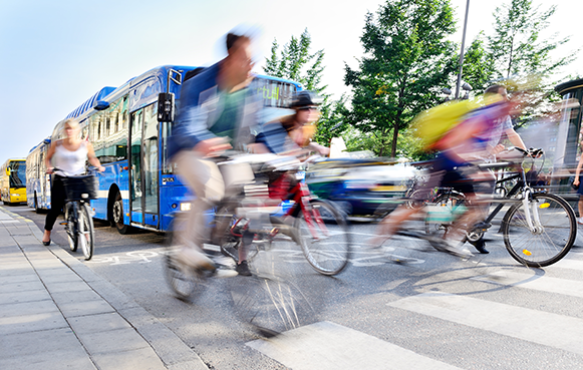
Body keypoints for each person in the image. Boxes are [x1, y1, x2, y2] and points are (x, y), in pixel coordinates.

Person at [368, 91, 525, 258]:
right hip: (445, 164)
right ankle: (377, 239)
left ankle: (451, 240)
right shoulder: (483, 118)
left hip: (459, 167)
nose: (515, 110)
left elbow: (479, 147)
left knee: (477, 205)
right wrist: (472, 160)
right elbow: (454, 142)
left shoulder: (492, 123)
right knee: (416, 206)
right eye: (511, 104)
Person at [168, 32, 262, 277]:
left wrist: (272, 148)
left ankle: (215, 244)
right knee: (211, 189)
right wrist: (204, 140)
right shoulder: (199, 84)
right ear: (229, 58)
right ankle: (186, 249)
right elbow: (188, 123)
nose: (252, 65)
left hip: (227, 153)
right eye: (246, 59)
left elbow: (260, 128)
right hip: (190, 148)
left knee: (248, 189)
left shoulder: (248, 91)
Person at [42, 118, 105, 246]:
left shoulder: (85, 144)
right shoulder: (57, 144)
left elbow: (92, 158)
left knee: (85, 204)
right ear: (65, 131)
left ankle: (86, 231)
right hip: (61, 178)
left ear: (78, 130)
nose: (69, 131)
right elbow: (47, 158)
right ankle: (47, 232)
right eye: (67, 128)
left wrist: (99, 166)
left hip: (79, 178)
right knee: (55, 208)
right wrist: (49, 167)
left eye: (72, 128)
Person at [256, 90, 329, 156]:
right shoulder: (279, 126)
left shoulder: (307, 129)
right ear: (296, 109)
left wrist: (317, 147)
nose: (310, 112)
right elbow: (256, 145)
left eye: (314, 108)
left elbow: (304, 146)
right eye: (306, 108)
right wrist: (273, 160)